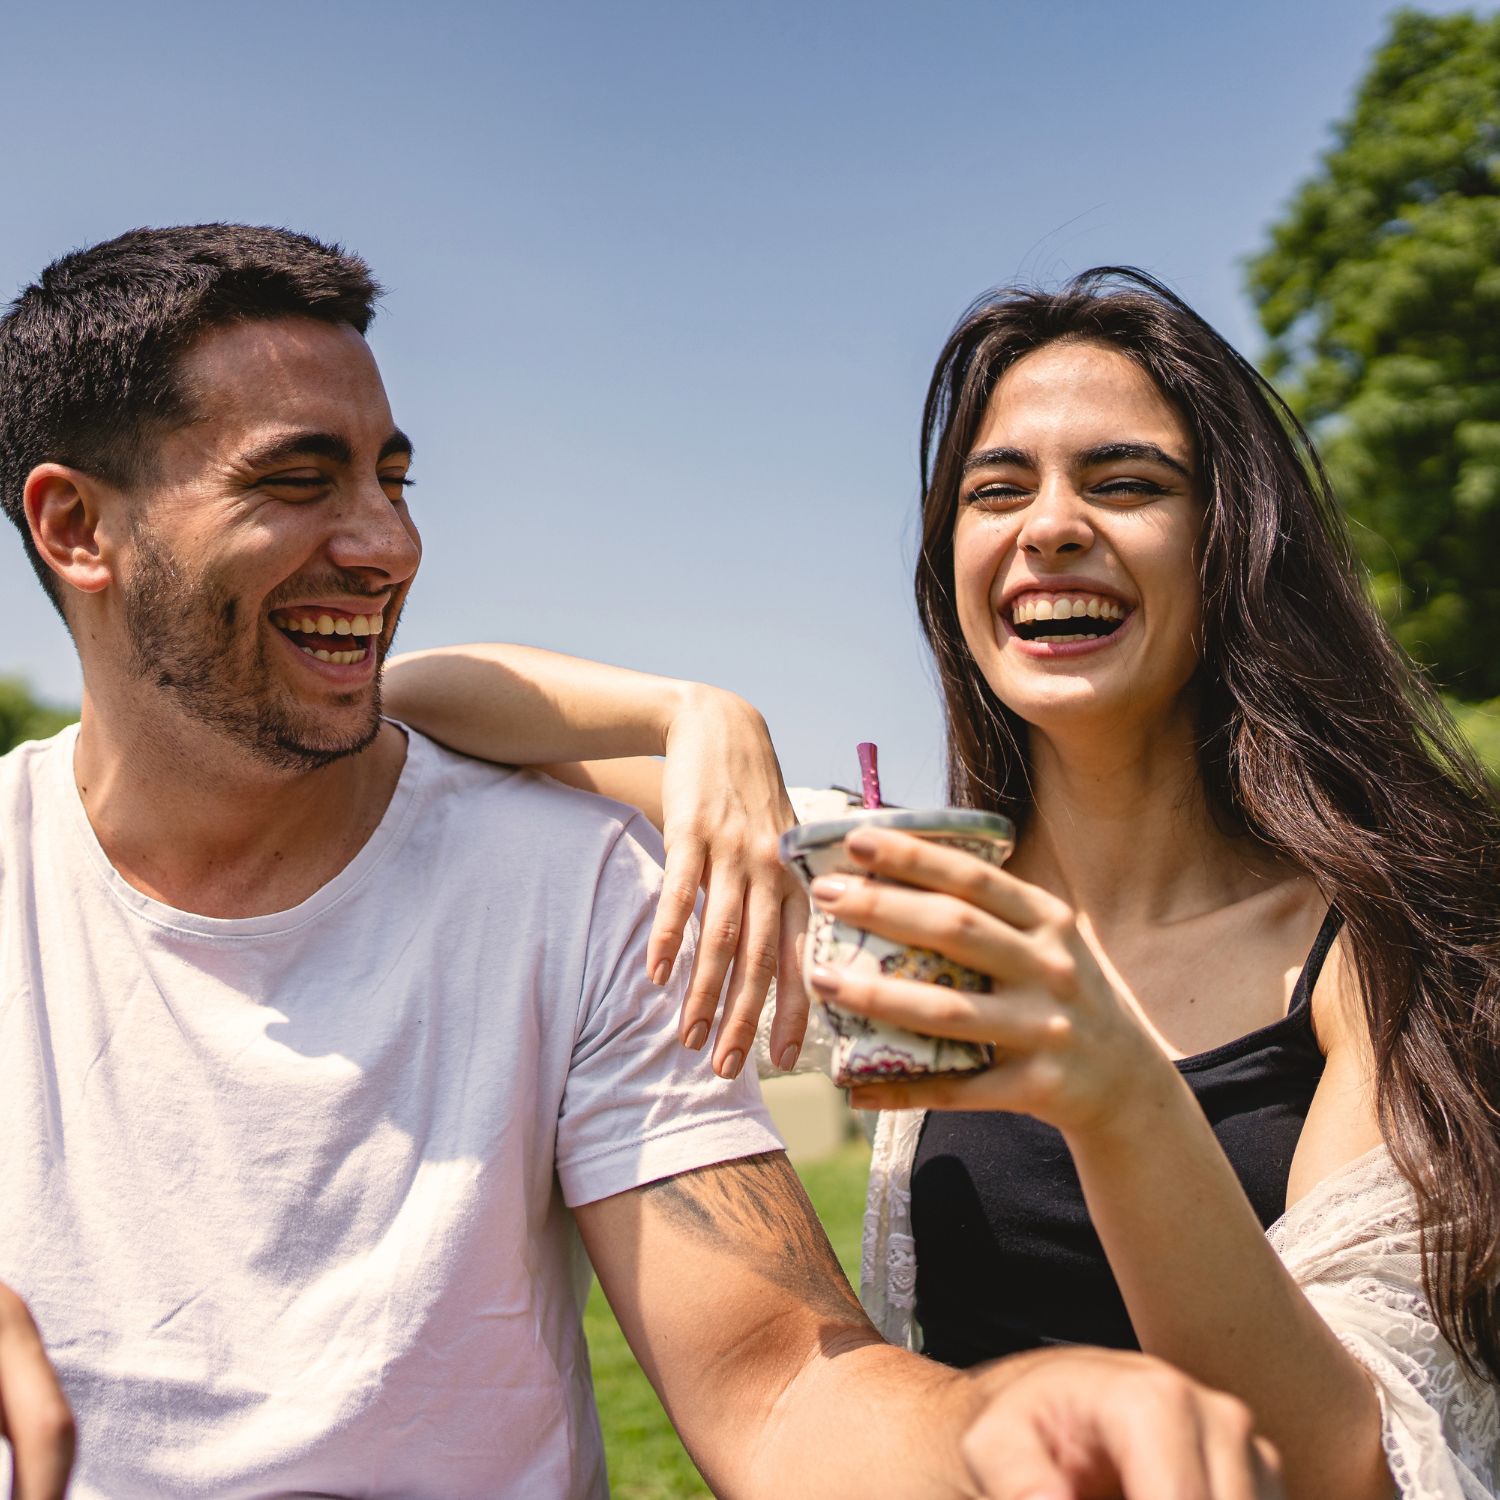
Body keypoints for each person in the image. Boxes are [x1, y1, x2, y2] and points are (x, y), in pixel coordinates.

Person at [0, 227, 1286, 1500]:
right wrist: (681, 717)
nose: (388, 544)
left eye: (393, 479)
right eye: (297, 482)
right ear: (75, 528)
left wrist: (1000, 1424)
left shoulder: (580, 885)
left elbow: (782, 1380)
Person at [379, 270, 1500, 1499]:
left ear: (1233, 541)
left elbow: (1342, 1465)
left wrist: (1120, 1098)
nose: (1051, 526)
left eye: (1125, 484)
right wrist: (690, 715)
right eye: (996, 490)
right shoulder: (898, 893)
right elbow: (412, 696)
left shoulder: (1382, 951)